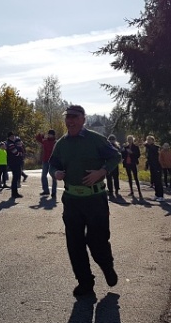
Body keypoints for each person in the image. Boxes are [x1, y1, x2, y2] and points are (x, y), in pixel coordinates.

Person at [49, 104, 121, 297]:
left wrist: (101, 172)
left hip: (95, 199)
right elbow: (52, 164)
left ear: (83, 119)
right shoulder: (61, 144)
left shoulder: (95, 139)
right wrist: (55, 173)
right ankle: (85, 282)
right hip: (72, 200)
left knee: (97, 241)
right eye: (68, 117)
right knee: (75, 244)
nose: (70, 121)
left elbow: (115, 156)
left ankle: (107, 266)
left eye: (74, 117)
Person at [36, 130, 58, 198]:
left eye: (51, 134)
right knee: (43, 176)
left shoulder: (56, 142)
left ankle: (54, 193)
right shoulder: (45, 141)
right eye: (49, 134)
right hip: (45, 160)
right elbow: (38, 139)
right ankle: (46, 190)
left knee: (54, 177)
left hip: (53, 161)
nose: (49, 135)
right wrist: (40, 134)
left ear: (53, 135)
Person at [144, 135, 165, 201]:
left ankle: (161, 196)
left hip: (157, 166)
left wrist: (147, 145)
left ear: (153, 140)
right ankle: (157, 195)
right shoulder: (148, 148)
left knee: (158, 181)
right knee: (154, 181)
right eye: (147, 140)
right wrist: (147, 165)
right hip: (152, 166)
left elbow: (154, 151)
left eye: (150, 140)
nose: (148, 141)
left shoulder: (156, 147)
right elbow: (148, 157)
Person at [6, 132, 24, 198]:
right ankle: (14, 193)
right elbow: (15, 152)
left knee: (15, 178)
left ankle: (15, 193)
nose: (13, 137)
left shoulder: (10, 143)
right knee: (15, 177)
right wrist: (20, 154)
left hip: (14, 162)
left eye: (13, 136)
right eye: (11, 136)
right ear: (9, 137)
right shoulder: (10, 144)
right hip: (14, 162)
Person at [105, 134, 121, 199]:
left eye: (112, 139)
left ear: (115, 140)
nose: (111, 141)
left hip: (114, 165)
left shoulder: (116, 147)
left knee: (115, 178)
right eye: (110, 139)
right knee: (109, 178)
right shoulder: (107, 147)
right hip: (109, 165)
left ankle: (116, 189)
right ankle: (111, 190)